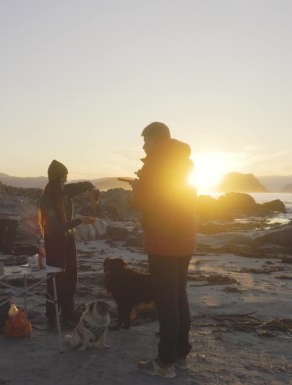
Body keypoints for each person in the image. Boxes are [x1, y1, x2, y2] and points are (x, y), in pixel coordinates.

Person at [130, 122, 197, 379]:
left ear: (157, 140)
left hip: (163, 239)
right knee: (179, 296)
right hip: (185, 237)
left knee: (167, 301)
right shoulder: (184, 163)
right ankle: (181, 356)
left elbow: (145, 202)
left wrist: (137, 187)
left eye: (146, 140)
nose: (144, 146)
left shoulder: (156, 163)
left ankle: (165, 362)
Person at [38, 159, 97, 330]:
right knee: (56, 280)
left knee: (71, 277)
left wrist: (93, 189)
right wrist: (79, 220)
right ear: (56, 180)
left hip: (68, 240)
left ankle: (67, 315)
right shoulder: (47, 199)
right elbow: (55, 228)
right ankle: (51, 317)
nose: (66, 182)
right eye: (63, 179)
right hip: (55, 242)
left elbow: (85, 184)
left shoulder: (65, 191)